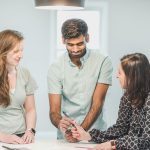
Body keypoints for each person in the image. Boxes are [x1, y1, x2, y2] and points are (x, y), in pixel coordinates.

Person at [47, 18, 113, 142]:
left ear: (87, 38)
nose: (75, 49)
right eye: (70, 45)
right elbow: (54, 111)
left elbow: (97, 104)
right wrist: (60, 123)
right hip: (66, 137)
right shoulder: (55, 67)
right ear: (63, 40)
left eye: (80, 43)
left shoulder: (103, 61)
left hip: (95, 134)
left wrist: (79, 132)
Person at [71, 53, 150, 150]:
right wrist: (88, 135)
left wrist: (113, 144)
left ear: (132, 75)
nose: (117, 76)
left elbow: (147, 141)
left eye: (120, 73)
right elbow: (120, 129)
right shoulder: (127, 97)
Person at [0, 30, 37, 144]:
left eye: (21, 50)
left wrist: (30, 131)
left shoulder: (25, 73)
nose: (21, 55)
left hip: (20, 137)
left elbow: (30, 109)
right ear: (3, 52)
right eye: (16, 51)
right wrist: (3, 137)